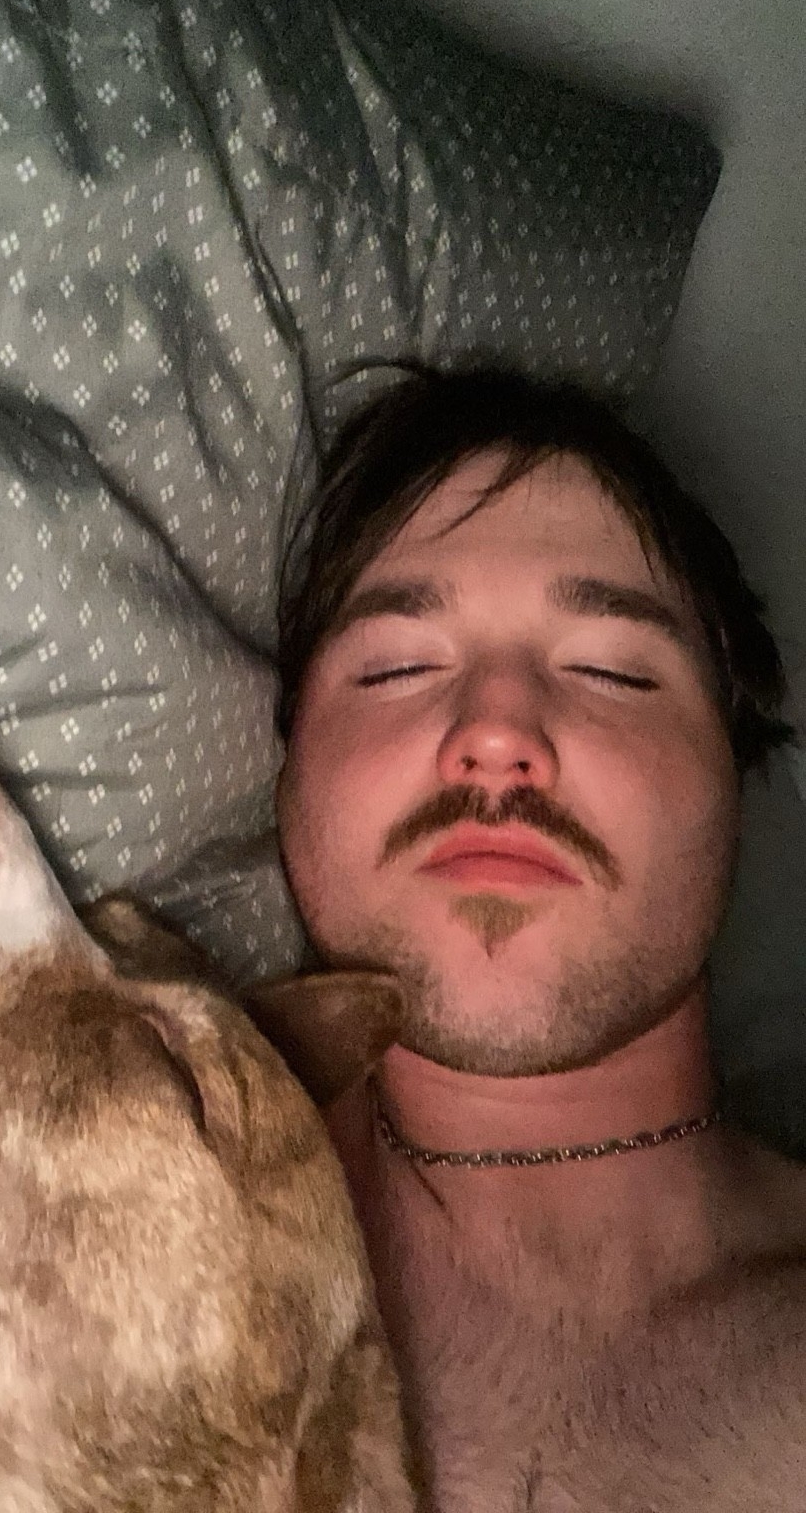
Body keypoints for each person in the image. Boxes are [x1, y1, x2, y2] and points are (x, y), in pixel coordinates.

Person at [274, 362, 804, 1510]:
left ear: (736, 781)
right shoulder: (52, 1213)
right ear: (287, 775)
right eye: (397, 667)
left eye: (612, 672)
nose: (498, 730)